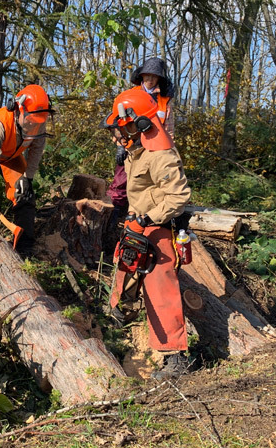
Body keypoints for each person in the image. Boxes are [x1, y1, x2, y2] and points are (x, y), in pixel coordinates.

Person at [100, 88, 192, 380]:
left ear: (136, 122)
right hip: (137, 224)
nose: (116, 133)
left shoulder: (160, 154)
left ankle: (176, 357)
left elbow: (178, 196)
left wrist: (148, 218)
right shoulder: (137, 147)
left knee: (160, 286)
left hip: (158, 227)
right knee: (122, 273)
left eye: (119, 127)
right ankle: (114, 326)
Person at [0, 84, 54, 256]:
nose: (33, 124)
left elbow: (36, 150)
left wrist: (28, 177)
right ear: (18, 109)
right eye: (29, 119)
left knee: (24, 194)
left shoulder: (39, 121)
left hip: (11, 158)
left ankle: (25, 246)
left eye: (39, 120)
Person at [107, 58, 176, 220]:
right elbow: (118, 123)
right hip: (130, 145)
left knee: (149, 185)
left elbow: (169, 129)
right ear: (141, 76)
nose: (150, 80)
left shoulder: (164, 100)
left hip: (154, 148)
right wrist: (120, 145)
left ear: (159, 78)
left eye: (154, 76)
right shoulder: (129, 96)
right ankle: (114, 215)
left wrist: (168, 152)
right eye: (147, 76)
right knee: (121, 181)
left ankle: (144, 217)